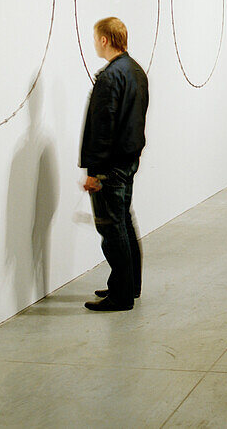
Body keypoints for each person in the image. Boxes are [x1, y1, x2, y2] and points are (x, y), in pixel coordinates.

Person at [80, 17, 149, 312]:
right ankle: (129, 284)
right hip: (129, 160)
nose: (94, 43)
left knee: (112, 229)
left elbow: (103, 127)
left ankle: (120, 295)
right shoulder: (136, 71)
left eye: (96, 38)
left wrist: (94, 171)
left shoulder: (110, 77)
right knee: (124, 223)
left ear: (105, 40)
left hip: (111, 166)